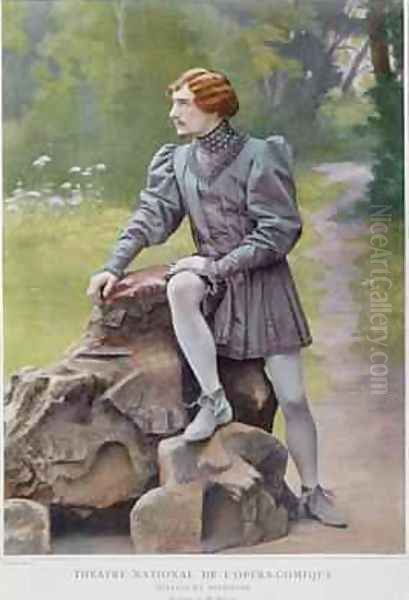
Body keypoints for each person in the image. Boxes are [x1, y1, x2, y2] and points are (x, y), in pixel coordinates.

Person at [87, 68, 347, 528]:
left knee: (293, 398)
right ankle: (213, 399)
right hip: (215, 284)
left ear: (213, 105)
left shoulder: (261, 155)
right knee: (180, 285)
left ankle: (313, 491)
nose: (173, 113)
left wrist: (218, 265)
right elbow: (151, 215)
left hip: (264, 288)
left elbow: (279, 231)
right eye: (174, 103)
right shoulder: (177, 160)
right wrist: (114, 265)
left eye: (183, 103)